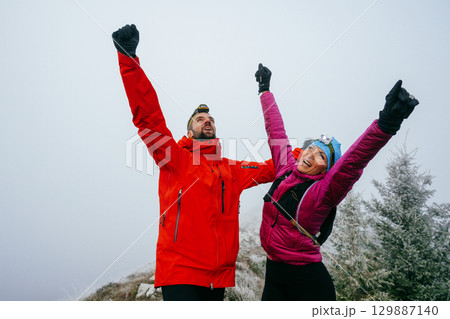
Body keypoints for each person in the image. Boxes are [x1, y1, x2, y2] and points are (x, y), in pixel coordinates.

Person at [111, 24, 275, 301]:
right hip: (181, 275)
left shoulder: (231, 169)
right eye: (200, 119)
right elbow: (148, 117)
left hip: (218, 279)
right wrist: (129, 61)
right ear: (189, 132)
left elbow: (274, 168)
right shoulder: (174, 158)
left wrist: (308, 154)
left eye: (210, 119)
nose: (207, 121)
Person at [254, 63, 419, 301]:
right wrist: (264, 89)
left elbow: (355, 160)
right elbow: (275, 130)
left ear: (328, 169)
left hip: (306, 282)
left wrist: (386, 124)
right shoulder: (285, 169)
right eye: (311, 149)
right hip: (274, 274)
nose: (310, 155)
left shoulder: (324, 191)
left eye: (321, 155)